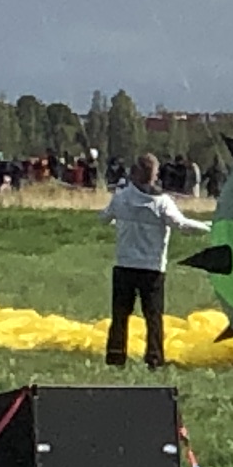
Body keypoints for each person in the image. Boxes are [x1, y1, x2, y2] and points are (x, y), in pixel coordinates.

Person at [101, 151, 192, 370]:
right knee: (153, 317)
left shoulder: (121, 198)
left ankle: (115, 355)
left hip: (124, 265)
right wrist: (210, 226)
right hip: (152, 268)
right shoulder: (162, 202)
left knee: (120, 315)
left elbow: (103, 218)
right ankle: (154, 357)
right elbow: (181, 224)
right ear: (154, 175)